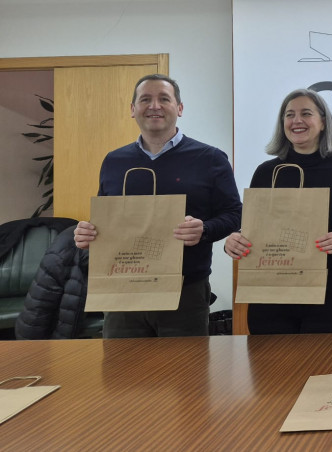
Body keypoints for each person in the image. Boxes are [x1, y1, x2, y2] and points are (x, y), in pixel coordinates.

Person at [73, 74, 242, 337]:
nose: (155, 106)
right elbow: (107, 220)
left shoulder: (210, 158)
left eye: (164, 98)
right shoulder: (114, 161)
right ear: (132, 110)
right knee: (122, 375)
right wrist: (89, 235)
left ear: (180, 108)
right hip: (122, 292)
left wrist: (204, 230)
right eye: (145, 99)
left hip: (185, 292)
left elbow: (234, 214)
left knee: (185, 375)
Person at [223, 89, 332, 334]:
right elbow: (254, 229)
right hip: (271, 301)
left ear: (323, 121)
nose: (297, 121)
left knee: (329, 371)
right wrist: (234, 240)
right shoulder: (265, 172)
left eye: (306, 113)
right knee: (273, 372)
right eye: (289, 115)